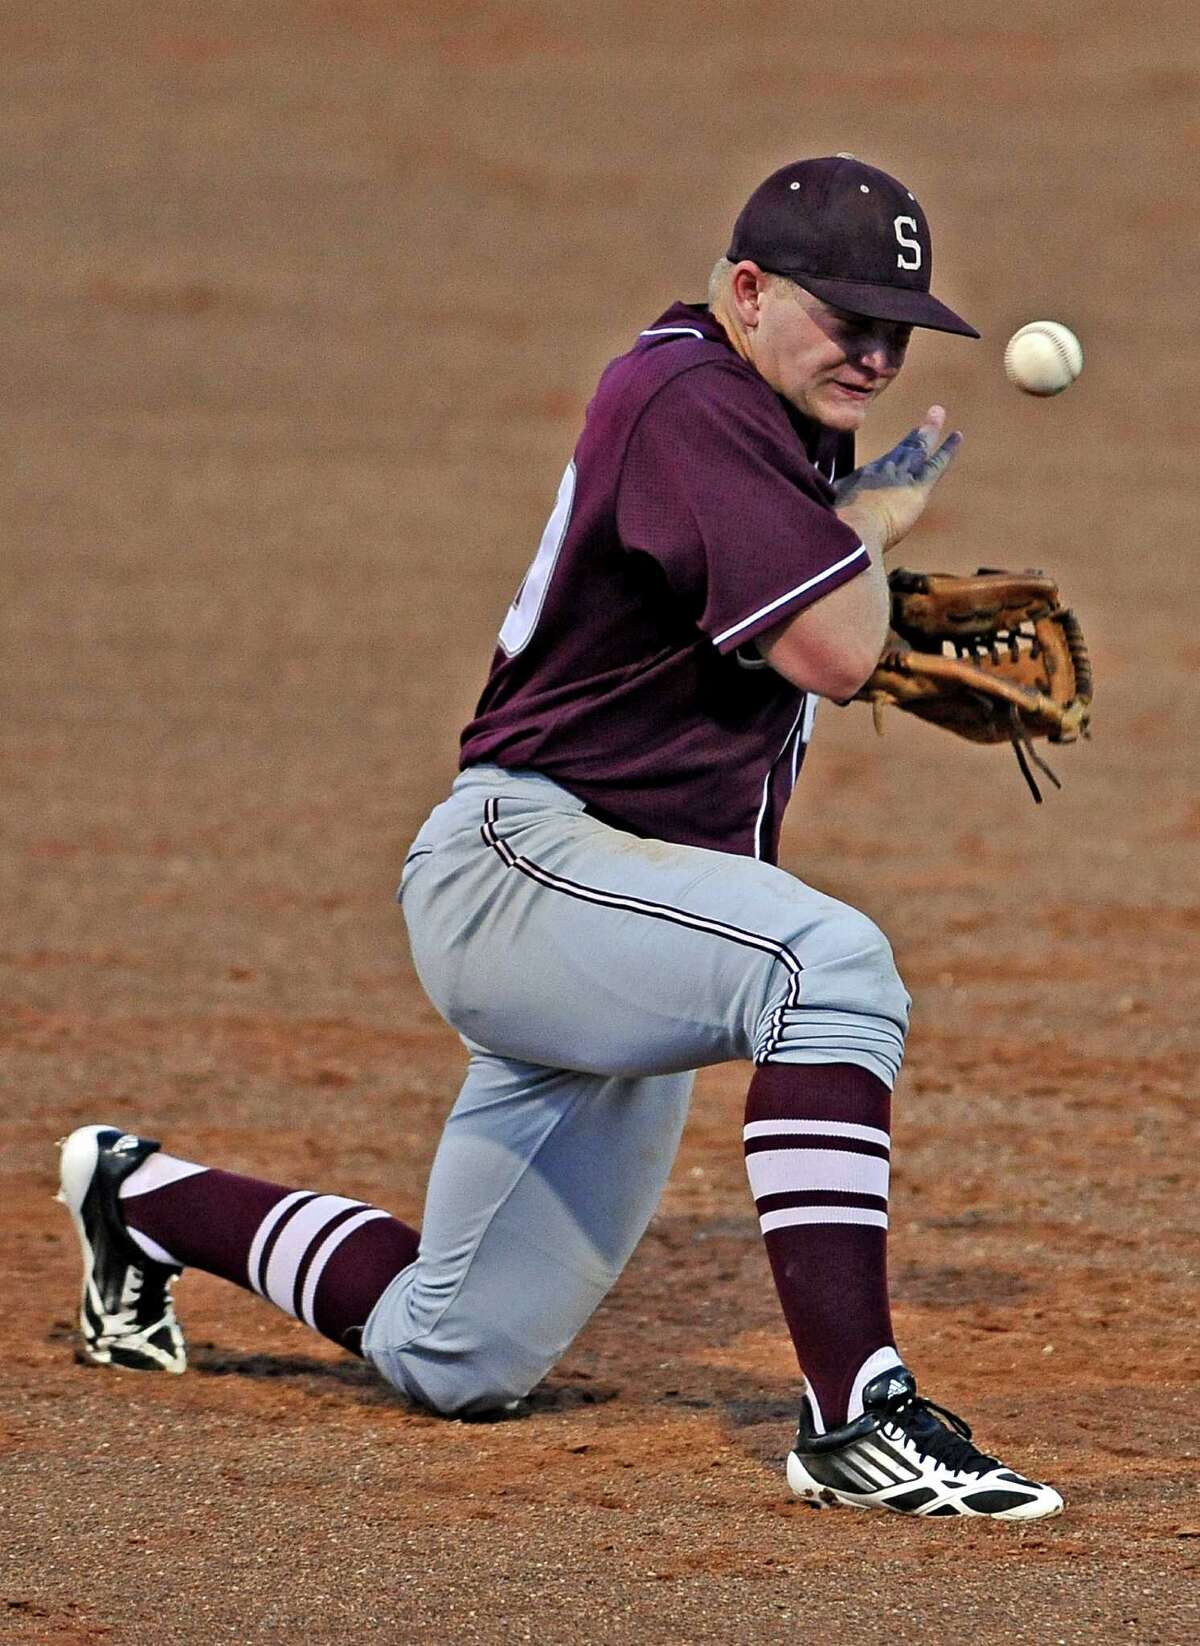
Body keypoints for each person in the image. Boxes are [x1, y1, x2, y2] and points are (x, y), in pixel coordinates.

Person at [57, 156, 1063, 1521]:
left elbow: (813, 623)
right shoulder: (686, 395)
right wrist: (878, 525)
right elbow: (833, 646)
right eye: (847, 316)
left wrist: (853, 523)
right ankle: (857, 1414)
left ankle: (143, 1199)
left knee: (456, 1351)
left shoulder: (772, 412)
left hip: (627, 923)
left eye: (898, 327)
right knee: (827, 971)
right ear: (751, 289)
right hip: (523, 869)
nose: (877, 351)